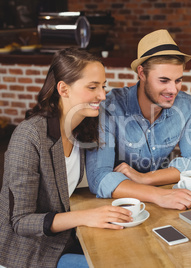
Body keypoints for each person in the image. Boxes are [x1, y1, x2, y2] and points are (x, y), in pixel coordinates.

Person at [0, 48, 134, 268]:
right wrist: (85, 216)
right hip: (28, 253)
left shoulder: (85, 128)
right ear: (63, 88)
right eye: (92, 87)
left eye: (103, 86)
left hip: (66, 240)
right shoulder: (29, 136)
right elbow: (21, 222)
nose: (102, 95)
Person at [86, 29, 191, 210]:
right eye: (164, 80)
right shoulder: (110, 107)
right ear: (142, 73)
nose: (173, 90)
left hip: (166, 202)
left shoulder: (184, 104)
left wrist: (146, 178)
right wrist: (159, 195)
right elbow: (99, 177)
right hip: (122, 207)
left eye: (178, 80)